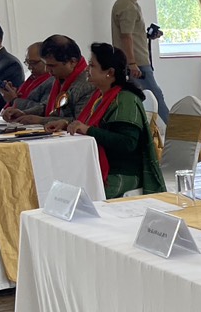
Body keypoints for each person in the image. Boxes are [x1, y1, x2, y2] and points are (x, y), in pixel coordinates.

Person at [49, 43, 163, 198]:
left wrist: (88, 130)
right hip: (99, 167)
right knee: (60, 188)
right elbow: (90, 126)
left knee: (75, 197)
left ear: (110, 72)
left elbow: (128, 143)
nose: (86, 69)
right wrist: (67, 124)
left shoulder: (125, 99)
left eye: (92, 65)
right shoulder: (99, 96)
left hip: (121, 173)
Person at [111, 0, 169, 124]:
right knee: (155, 96)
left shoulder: (129, 4)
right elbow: (126, 36)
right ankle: (175, 132)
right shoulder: (128, 6)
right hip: (137, 62)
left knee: (144, 98)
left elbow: (132, 34)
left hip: (135, 61)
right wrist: (132, 63)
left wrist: (148, 36)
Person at [2, 35, 93, 126]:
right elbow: (46, 106)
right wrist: (23, 113)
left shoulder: (87, 84)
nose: (47, 70)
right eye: (46, 65)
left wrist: (41, 120)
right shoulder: (58, 78)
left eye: (52, 66)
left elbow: (79, 122)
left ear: (72, 62)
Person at [0, 43, 54, 115]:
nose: (29, 67)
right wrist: (13, 93)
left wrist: (14, 99)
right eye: (27, 63)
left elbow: (43, 109)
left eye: (33, 63)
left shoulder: (52, 81)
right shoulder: (32, 77)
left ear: (47, 60)